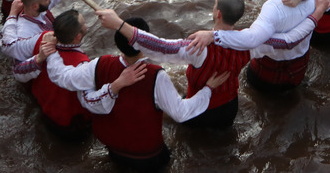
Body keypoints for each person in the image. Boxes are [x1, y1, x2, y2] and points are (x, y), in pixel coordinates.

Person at [95, 0, 322, 129]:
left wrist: (119, 25)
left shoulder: (198, 48)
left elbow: (162, 47)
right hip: (229, 107)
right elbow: (289, 41)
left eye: (214, 5)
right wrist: (316, 12)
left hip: (200, 108)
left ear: (218, 14)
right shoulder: (253, 42)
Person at [48, 17, 228, 171]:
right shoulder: (157, 76)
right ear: (145, 43)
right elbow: (181, 113)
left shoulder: (98, 64)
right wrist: (207, 90)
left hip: (113, 150)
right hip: (148, 157)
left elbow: (63, 77)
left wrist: (51, 52)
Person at [187, 0, 330, 92]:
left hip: (267, 74)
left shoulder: (273, 8)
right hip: (298, 69)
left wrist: (212, 35)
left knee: (255, 92)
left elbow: (252, 39)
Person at [23, 9, 94, 140]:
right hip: (67, 124)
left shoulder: (43, 42)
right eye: (84, 23)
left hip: (44, 108)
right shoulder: (82, 64)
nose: (86, 25)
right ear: (78, 36)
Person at [0, 0, 81, 80]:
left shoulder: (40, 8)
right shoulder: (24, 32)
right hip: (45, 72)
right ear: (35, 6)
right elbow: (18, 69)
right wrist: (39, 59)